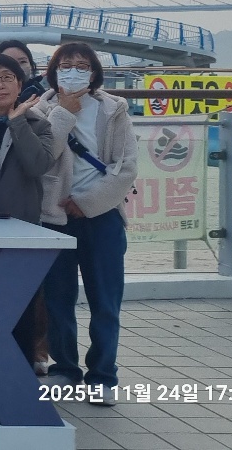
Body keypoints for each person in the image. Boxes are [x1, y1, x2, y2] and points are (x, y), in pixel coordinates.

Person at [35, 42, 137, 406]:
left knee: (105, 300)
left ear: (94, 72)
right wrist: (64, 111)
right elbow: (45, 157)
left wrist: (88, 203)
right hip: (55, 216)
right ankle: (65, 368)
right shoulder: (41, 108)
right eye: (66, 65)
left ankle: (103, 376)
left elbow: (127, 167)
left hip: (102, 216)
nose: (74, 71)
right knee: (57, 298)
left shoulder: (114, 109)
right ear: (54, 71)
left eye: (82, 65)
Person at [0, 54, 53, 369]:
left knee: (21, 307)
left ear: (19, 84)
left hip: (22, 229)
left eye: (6, 77)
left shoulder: (40, 125)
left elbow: (37, 165)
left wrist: (18, 122)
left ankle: (19, 375)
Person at [0, 39, 49, 104]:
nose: (17, 67)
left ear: (31, 65)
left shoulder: (41, 97)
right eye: (8, 62)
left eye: (23, 62)